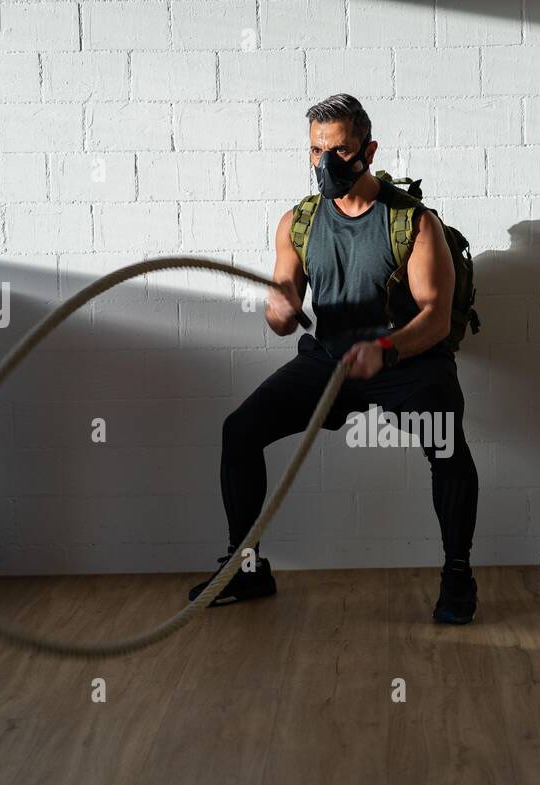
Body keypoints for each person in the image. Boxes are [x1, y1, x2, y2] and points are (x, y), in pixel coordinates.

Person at [188, 94, 481, 624]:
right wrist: (278, 309)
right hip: (330, 360)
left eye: (341, 151)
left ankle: (458, 573)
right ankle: (245, 567)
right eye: (317, 151)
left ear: (368, 150)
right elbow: (282, 313)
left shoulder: (413, 223)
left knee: (448, 446)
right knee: (240, 430)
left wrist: (387, 350)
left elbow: (436, 318)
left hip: (406, 359)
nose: (327, 163)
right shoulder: (297, 223)